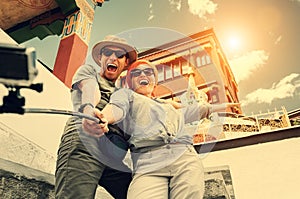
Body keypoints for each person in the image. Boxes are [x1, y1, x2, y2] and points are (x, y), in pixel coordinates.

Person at [95, 60, 239, 199]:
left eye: (148, 72)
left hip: (183, 157)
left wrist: (225, 106)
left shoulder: (169, 106)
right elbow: (116, 108)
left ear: (155, 81)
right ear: (130, 82)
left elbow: (196, 110)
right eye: (136, 73)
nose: (143, 75)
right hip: (148, 162)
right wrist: (105, 117)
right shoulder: (126, 96)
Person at [55, 35, 137, 199]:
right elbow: (90, 89)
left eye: (119, 54)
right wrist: (88, 109)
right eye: (107, 52)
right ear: (100, 57)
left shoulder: (125, 93)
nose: (113, 57)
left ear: (126, 62)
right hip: (85, 138)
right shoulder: (88, 71)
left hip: (113, 150)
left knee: (139, 193)